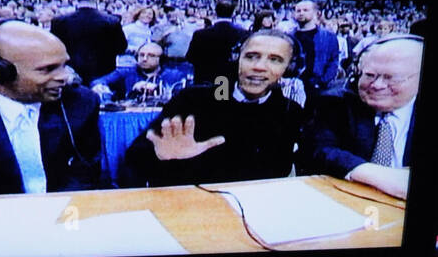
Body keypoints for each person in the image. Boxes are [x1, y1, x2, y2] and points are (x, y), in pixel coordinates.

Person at [120, 31, 302, 188]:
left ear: (289, 68)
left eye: (275, 60)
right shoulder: (193, 99)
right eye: (251, 56)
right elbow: (135, 160)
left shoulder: (289, 111)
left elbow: (278, 171)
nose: (259, 67)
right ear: (236, 57)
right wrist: (163, 159)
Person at [0, 21, 102, 196]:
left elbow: (87, 174)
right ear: (1, 72)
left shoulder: (81, 103)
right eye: (47, 69)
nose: (65, 77)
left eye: (64, 65)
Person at [300, 35, 424, 201]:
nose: (377, 85)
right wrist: (373, 174)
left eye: (391, 77)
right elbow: (317, 151)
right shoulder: (335, 103)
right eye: (370, 75)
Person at [50, 0, 127, 87]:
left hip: (70, 74)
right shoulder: (112, 21)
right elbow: (121, 48)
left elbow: (54, 48)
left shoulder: (59, 21)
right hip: (103, 75)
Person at [186, 0, 245, 85]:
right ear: (233, 14)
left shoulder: (200, 34)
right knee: (223, 98)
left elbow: (190, 57)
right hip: (231, 83)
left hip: (205, 82)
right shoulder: (243, 34)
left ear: (215, 13)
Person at [291, 0, 340, 99]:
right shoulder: (289, 36)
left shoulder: (328, 36)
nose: (301, 13)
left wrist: (323, 81)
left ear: (315, 13)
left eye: (305, 10)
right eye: (298, 11)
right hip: (292, 85)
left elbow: (333, 61)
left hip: (317, 87)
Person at [92, 42, 163, 103]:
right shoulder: (126, 72)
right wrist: (100, 87)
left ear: (161, 59)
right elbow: (98, 81)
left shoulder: (170, 75)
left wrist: (156, 88)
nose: (144, 59)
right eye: (141, 55)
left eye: (151, 56)